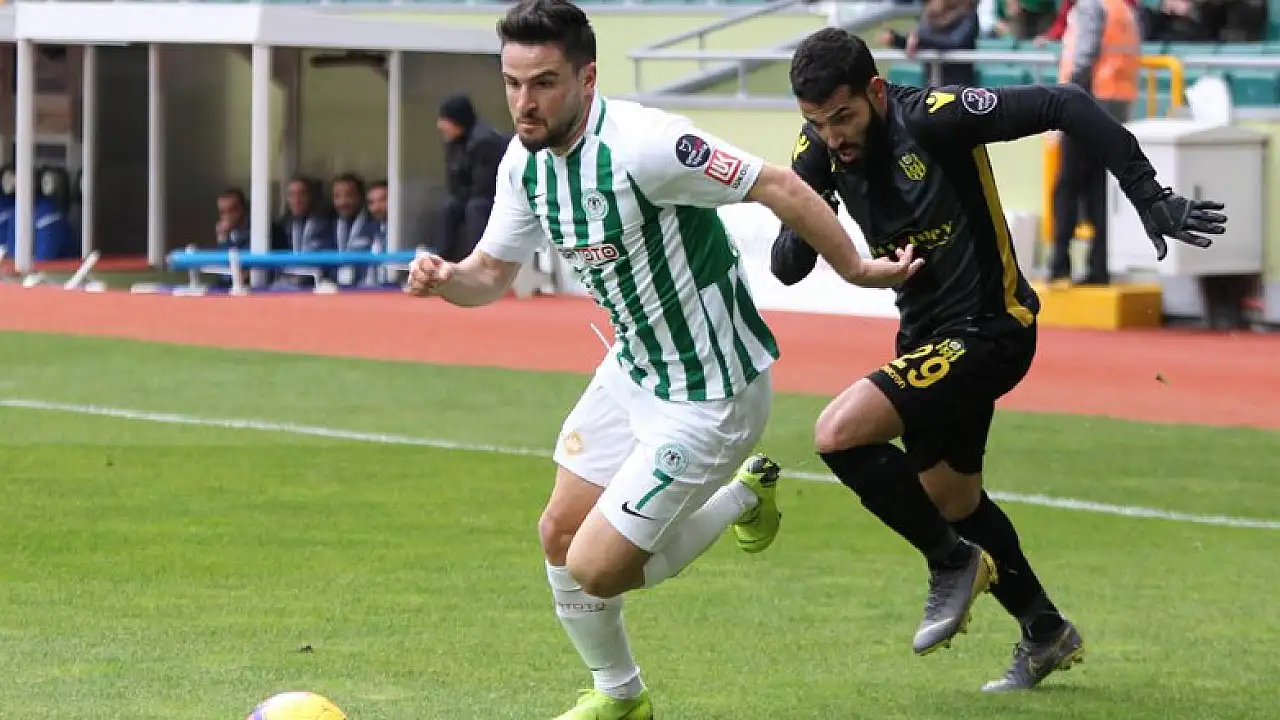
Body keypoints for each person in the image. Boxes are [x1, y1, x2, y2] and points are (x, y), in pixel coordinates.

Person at [405, 2, 922, 717]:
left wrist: (859, 270)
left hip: (712, 392)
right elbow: (489, 275)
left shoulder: (648, 146)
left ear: (587, 78)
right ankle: (621, 695)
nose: (525, 102)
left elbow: (778, 184)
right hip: (634, 369)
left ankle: (742, 495)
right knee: (557, 534)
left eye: (545, 82)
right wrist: (446, 280)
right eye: (513, 83)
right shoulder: (524, 165)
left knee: (596, 569)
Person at [774, 27, 1224, 692]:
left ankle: (950, 562)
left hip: (992, 327)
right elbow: (787, 266)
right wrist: (807, 217)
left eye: (843, 117)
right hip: (925, 341)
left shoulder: (935, 119)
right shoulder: (820, 149)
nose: (832, 135)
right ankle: (1045, 630)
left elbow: (1066, 102)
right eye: (818, 122)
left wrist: (1148, 194)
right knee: (950, 497)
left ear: (876, 91)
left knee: (838, 433)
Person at [1050, 0, 1140, 285]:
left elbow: (1084, 56)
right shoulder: (1123, 10)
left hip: (1088, 103)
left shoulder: (1091, 6)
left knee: (1068, 185)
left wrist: (1064, 102)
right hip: (1115, 105)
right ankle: (1098, 266)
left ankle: (1059, 263)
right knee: (1098, 189)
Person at [436, 94, 509, 262]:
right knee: (449, 207)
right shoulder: (454, 142)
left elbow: (483, 186)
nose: (440, 125)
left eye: (444, 120)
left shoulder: (485, 141)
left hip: (495, 197)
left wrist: (463, 191)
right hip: (470, 194)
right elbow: (453, 184)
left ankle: (478, 260)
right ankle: (443, 258)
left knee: (476, 207)